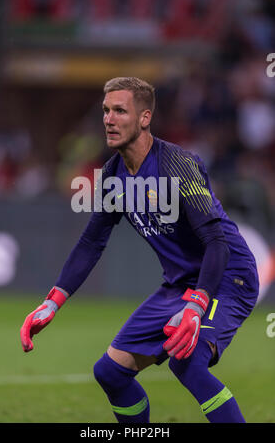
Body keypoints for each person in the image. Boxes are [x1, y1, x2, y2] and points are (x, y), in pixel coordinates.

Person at [20, 77, 259, 423]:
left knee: (187, 361)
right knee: (110, 373)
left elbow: (216, 242)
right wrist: (51, 303)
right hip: (181, 284)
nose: (109, 119)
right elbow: (92, 242)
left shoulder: (176, 165)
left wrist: (198, 303)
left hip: (226, 275)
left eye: (120, 110)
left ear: (144, 118)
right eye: (105, 110)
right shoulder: (113, 176)